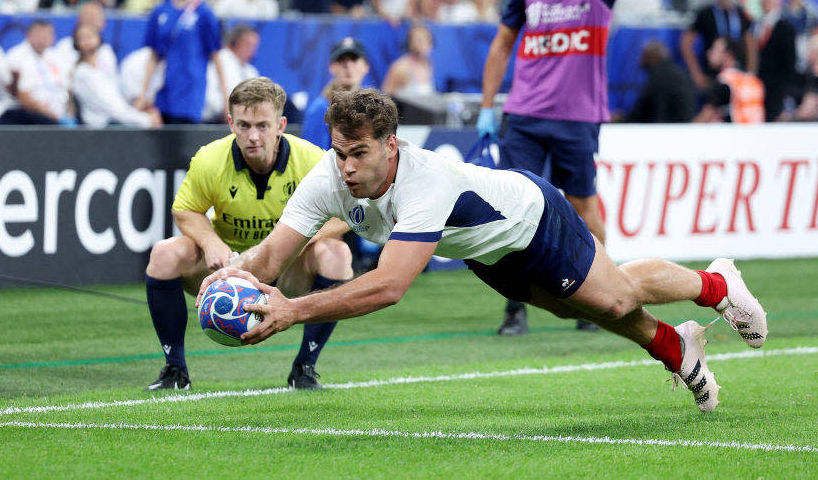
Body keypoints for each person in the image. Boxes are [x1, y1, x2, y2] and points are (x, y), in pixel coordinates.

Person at [198, 89, 768, 413]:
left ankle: (717, 284)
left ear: (390, 146)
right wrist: (230, 273)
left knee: (614, 299)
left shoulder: (423, 182)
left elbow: (390, 286)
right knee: (579, 308)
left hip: (530, 218)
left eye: (360, 152)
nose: (347, 165)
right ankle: (679, 346)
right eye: (340, 150)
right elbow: (270, 259)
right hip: (489, 253)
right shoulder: (328, 176)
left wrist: (292, 310)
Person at [477, 0, 646, 337]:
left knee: (583, 208)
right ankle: (516, 308)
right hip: (526, 116)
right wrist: (489, 106)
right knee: (513, 213)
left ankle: (611, 296)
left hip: (578, 117)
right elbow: (501, 45)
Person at [145, 77, 352, 391]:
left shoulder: (311, 160)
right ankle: (175, 370)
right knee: (164, 254)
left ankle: (305, 368)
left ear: (281, 124)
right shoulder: (210, 159)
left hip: (287, 269)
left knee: (338, 255)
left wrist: (295, 240)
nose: (253, 136)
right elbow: (185, 210)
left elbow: (348, 215)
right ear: (230, 123)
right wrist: (211, 242)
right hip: (226, 266)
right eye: (243, 125)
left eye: (263, 125)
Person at [136, 0, 226, 124]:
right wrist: (144, 91)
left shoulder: (204, 13)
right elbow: (153, 56)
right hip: (164, 89)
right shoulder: (160, 11)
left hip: (190, 91)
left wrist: (226, 97)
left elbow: (216, 56)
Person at [70, 23, 158, 128]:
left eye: (90, 35)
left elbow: (118, 103)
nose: (88, 40)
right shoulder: (83, 73)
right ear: (77, 43)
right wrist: (146, 120)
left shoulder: (103, 66)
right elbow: (112, 108)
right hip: (103, 127)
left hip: (115, 120)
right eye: (83, 38)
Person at [681, 0, 757, 91]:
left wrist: (751, 71)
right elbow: (686, 43)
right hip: (713, 73)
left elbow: (751, 44)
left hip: (738, 72)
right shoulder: (705, 13)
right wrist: (696, 73)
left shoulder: (740, 13)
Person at [302, 38, 371, 150]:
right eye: (341, 60)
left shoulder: (372, 108)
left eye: (354, 59)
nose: (347, 66)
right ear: (332, 67)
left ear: (366, 67)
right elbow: (315, 158)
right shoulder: (320, 109)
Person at [694, 37, 765, 124]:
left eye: (714, 49)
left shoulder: (723, 82)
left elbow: (704, 117)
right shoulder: (753, 81)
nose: (708, 53)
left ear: (728, 55)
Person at [623, 40, 696, 123]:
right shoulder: (676, 72)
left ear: (654, 57)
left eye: (645, 56)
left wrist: (623, 120)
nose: (641, 61)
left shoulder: (659, 75)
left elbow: (644, 108)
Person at [202, 25, 261, 123]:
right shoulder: (220, 60)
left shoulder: (251, 71)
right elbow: (209, 95)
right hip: (216, 119)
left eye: (254, 45)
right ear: (236, 42)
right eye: (248, 44)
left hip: (244, 119)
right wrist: (232, 111)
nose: (252, 50)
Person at [382, 25, 436, 98]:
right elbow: (385, 96)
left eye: (427, 40)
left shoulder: (428, 64)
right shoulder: (400, 67)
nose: (424, 44)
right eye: (419, 40)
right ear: (410, 44)